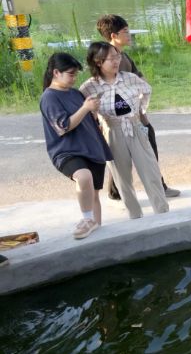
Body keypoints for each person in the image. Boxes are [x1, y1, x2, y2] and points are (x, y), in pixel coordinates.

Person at [80, 42, 169, 219]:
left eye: (117, 56)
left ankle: (162, 214)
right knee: (122, 178)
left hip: (135, 127)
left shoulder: (129, 78)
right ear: (98, 61)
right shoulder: (88, 87)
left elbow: (147, 90)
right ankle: (135, 216)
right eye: (111, 58)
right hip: (112, 131)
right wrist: (96, 116)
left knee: (150, 172)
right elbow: (85, 109)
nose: (116, 61)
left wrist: (139, 110)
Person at [96, 14, 180, 199]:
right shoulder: (109, 60)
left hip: (135, 113)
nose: (129, 35)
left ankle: (117, 191)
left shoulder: (123, 56)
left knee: (132, 150)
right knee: (140, 150)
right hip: (123, 117)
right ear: (113, 35)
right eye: (125, 31)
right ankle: (156, 187)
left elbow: (139, 78)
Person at [40, 53, 113, 239]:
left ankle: (95, 230)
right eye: (71, 74)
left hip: (92, 147)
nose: (74, 78)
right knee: (83, 176)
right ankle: (87, 219)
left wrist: (93, 110)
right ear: (56, 73)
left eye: (75, 74)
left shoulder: (74, 93)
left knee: (94, 195)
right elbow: (63, 126)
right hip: (67, 150)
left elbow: (87, 119)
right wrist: (85, 108)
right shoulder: (49, 97)